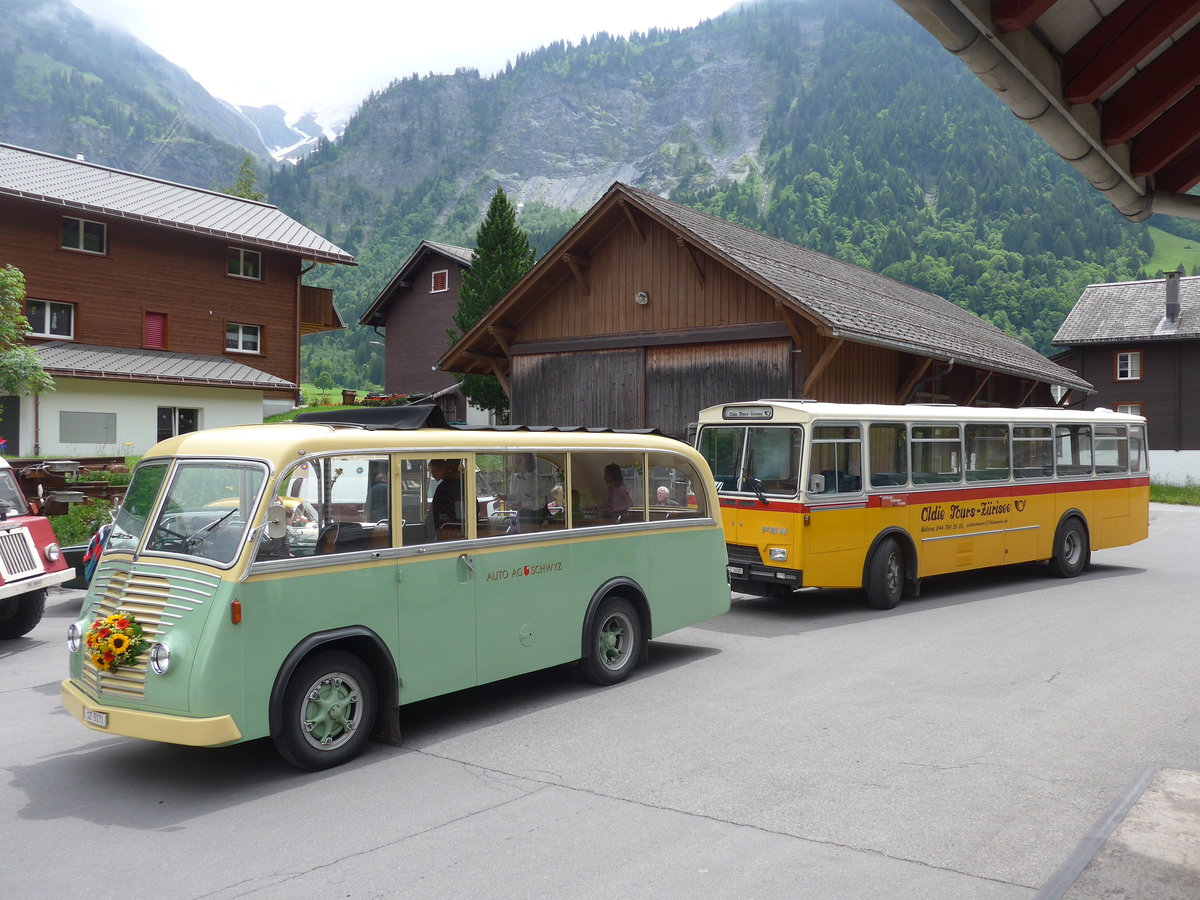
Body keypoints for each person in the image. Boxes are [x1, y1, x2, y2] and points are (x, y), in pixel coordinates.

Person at [428, 458, 463, 536]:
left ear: (444, 469)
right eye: (431, 473)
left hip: (448, 530)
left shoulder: (445, 487)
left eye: (435, 471)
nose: (433, 475)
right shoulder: (446, 486)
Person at [507, 453, 539, 524]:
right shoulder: (514, 478)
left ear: (528, 462)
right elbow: (513, 498)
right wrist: (506, 498)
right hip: (516, 515)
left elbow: (539, 502)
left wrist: (523, 504)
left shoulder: (535, 479)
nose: (517, 463)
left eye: (520, 460)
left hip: (533, 517)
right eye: (516, 460)